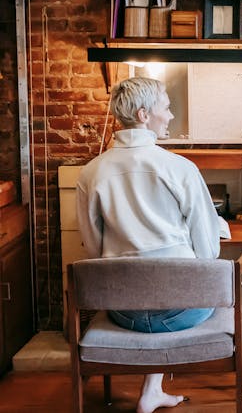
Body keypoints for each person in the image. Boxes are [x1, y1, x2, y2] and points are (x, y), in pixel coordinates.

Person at [76, 77, 222, 413]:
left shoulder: (90, 174)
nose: (170, 116)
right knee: (208, 288)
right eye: (166, 107)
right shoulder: (180, 168)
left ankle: (151, 392)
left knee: (148, 290)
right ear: (144, 114)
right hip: (183, 313)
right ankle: (152, 391)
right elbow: (208, 252)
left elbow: (94, 253)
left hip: (122, 312)